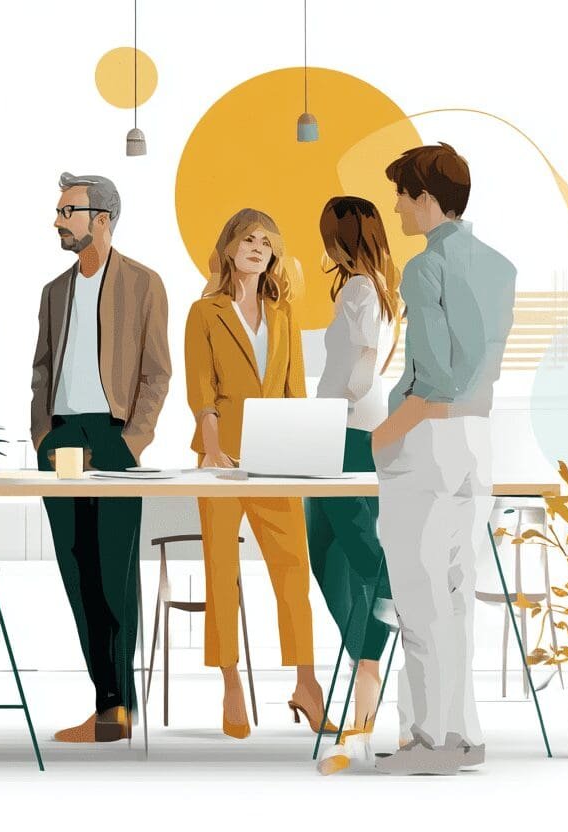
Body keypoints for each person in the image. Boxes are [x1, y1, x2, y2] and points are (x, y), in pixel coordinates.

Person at [371, 143, 517, 775]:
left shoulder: (423, 268)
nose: (398, 208)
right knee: (457, 594)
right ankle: (463, 734)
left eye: (402, 195)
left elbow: (432, 379)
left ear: (426, 198)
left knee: (419, 597)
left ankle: (429, 742)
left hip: (427, 441)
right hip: (478, 442)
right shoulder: (499, 266)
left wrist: (383, 436)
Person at [31, 172, 171, 743]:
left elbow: (157, 373)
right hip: (60, 438)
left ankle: (118, 707)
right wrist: (42, 433)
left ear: (102, 220)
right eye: (60, 210)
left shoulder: (143, 283)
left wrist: (132, 441)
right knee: (77, 571)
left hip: (113, 437)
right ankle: (104, 703)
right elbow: (41, 369)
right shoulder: (54, 291)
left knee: (115, 572)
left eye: (69, 210)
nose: (58, 219)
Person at [184, 208, 328, 739]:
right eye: (248, 239)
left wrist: (302, 452)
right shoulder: (205, 312)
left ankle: (306, 684)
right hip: (220, 456)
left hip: (276, 458)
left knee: (293, 572)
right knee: (222, 569)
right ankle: (230, 682)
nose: (257, 248)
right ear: (228, 248)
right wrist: (216, 451)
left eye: (266, 241)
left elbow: (294, 389)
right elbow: (202, 390)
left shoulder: (283, 313)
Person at [306, 196, 401, 774]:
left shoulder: (361, 289)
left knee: (361, 554)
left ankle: (373, 655)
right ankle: (368, 670)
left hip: (346, 433)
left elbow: (363, 366)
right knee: (328, 552)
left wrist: (333, 401)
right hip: (345, 430)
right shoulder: (372, 288)